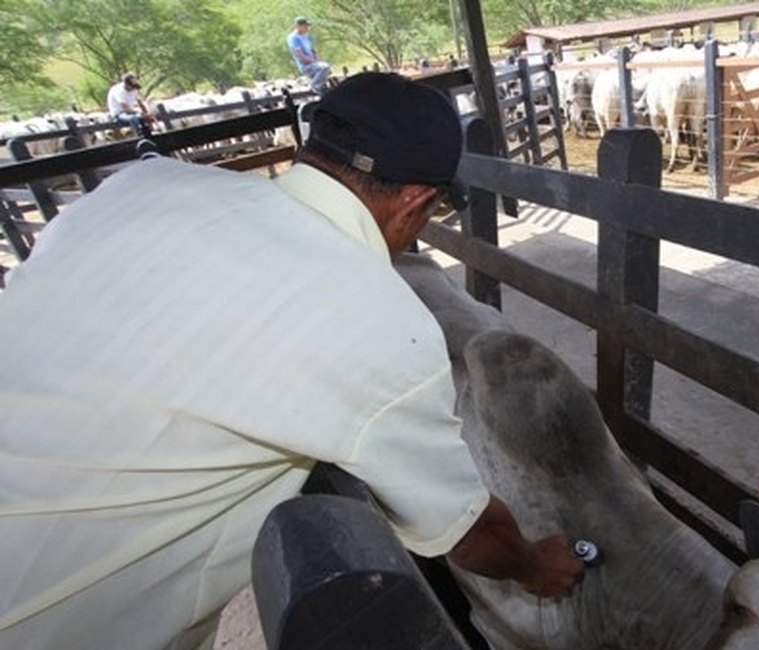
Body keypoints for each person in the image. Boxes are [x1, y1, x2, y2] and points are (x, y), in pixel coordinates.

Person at [0, 72, 583, 650]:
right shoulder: (378, 320)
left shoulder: (140, 187)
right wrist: (536, 565)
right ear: (415, 201)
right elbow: (465, 530)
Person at [287, 15, 331, 95]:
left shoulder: (306, 36)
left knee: (327, 68)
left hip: (313, 63)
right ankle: (314, 85)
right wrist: (313, 62)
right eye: (305, 26)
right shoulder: (293, 38)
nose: (307, 28)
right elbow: (300, 56)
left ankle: (322, 89)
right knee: (325, 67)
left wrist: (317, 59)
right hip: (305, 65)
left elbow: (312, 50)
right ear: (298, 26)